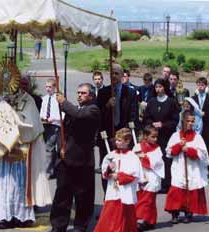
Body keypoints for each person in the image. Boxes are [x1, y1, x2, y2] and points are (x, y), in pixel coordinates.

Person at [0, 87, 52, 229]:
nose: (10, 90)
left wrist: (14, 119)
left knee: (20, 185)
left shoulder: (28, 100)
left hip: (21, 151)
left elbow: (32, 125)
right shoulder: (0, 100)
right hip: (4, 151)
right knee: (4, 183)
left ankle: (22, 217)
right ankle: (5, 217)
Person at [50, 83, 100, 232]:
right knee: (62, 194)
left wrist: (64, 102)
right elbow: (63, 130)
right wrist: (61, 147)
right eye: (78, 92)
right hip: (66, 159)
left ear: (91, 95)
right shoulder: (74, 109)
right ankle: (58, 225)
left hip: (83, 159)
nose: (79, 95)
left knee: (83, 195)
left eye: (83, 93)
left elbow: (79, 116)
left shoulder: (93, 110)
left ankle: (80, 225)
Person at [97, 63, 138, 191]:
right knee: (108, 167)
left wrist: (124, 136)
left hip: (124, 135)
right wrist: (107, 106)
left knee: (124, 167)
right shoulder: (103, 93)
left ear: (122, 75)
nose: (113, 76)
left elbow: (133, 115)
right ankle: (107, 195)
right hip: (108, 137)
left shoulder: (130, 92)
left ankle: (123, 195)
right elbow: (98, 115)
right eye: (111, 73)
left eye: (116, 73)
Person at [94, 128, 143, 232]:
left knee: (126, 216)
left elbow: (134, 175)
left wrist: (119, 176)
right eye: (116, 140)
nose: (117, 142)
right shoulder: (111, 155)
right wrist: (109, 170)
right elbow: (104, 173)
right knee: (110, 214)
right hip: (113, 190)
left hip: (126, 191)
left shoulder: (132, 157)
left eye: (120, 140)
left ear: (127, 141)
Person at [164, 110, 208, 224]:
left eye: (192, 121)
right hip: (179, 167)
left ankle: (189, 212)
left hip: (192, 168)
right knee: (176, 189)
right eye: (188, 121)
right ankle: (175, 213)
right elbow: (169, 152)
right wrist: (179, 146)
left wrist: (189, 150)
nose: (190, 123)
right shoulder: (175, 136)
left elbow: (203, 154)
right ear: (183, 121)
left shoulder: (197, 137)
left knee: (191, 189)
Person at [143, 78, 179, 193]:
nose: (158, 89)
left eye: (160, 87)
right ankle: (153, 182)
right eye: (156, 87)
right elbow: (146, 117)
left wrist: (163, 124)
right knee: (153, 158)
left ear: (165, 87)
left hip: (166, 135)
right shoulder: (152, 101)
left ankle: (166, 183)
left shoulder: (171, 102)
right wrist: (151, 124)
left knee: (165, 159)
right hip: (153, 136)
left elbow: (175, 120)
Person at [133, 125, 164, 231]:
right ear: (146, 136)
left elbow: (156, 163)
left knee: (148, 200)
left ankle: (140, 219)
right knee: (143, 199)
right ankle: (150, 221)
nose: (155, 139)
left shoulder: (157, 149)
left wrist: (145, 157)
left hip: (152, 177)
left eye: (156, 137)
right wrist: (136, 156)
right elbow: (132, 160)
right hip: (141, 176)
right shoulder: (138, 147)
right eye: (153, 137)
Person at [40, 79, 62, 179]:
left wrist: (53, 118)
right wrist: (43, 117)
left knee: (49, 147)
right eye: (46, 87)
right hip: (45, 125)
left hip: (55, 125)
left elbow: (62, 114)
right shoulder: (44, 99)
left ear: (54, 87)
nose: (48, 89)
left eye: (50, 87)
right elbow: (43, 111)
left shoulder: (58, 99)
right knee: (49, 148)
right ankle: (53, 169)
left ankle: (48, 171)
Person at [192, 77, 209, 150]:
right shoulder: (193, 98)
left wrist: (206, 114)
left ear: (206, 86)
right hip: (196, 125)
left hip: (207, 125)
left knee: (206, 146)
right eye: (198, 85)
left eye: (202, 85)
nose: (200, 87)